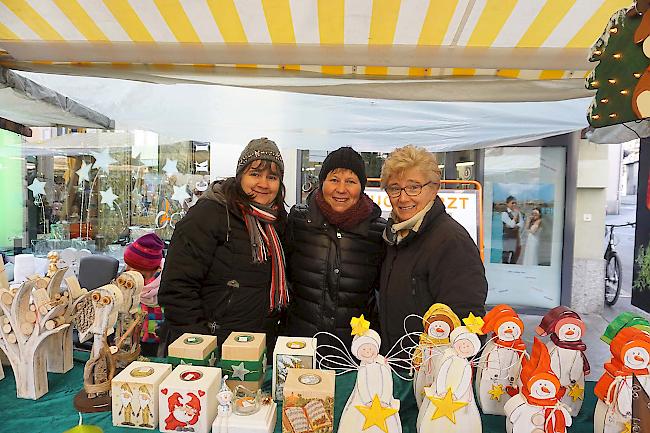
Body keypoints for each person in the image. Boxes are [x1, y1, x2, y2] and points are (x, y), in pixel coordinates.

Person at [159, 138, 287, 356]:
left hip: (256, 348)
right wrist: (202, 346)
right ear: (240, 176)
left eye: (272, 177)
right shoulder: (209, 215)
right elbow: (177, 289)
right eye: (255, 174)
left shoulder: (277, 221)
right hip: (213, 347)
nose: (263, 184)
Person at [379, 145, 487, 352]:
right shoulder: (395, 234)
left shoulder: (451, 241)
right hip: (398, 364)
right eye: (394, 188)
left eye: (414, 187)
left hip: (431, 372)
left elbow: (467, 316)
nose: (403, 198)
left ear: (434, 188)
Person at [285, 147, 385, 349]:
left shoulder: (377, 231)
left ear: (361, 187)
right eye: (334, 179)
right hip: (300, 345)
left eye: (350, 181)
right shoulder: (299, 220)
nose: (341, 189)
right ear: (322, 182)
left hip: (355, 349)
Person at [123, 232, 165, 357]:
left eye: (132, 267)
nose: (127, 270)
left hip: (157, 342)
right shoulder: (127, 282)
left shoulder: (165, 286)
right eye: (127, 265)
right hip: (133, 338)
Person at [501, 195, 524, 264]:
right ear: (507, 204)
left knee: (515, 256)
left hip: (516, 237)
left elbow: (522, 223)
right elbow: (511, 224)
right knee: (506, 256)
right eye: (512, 203)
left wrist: (515, 226)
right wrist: (514, 219)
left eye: (515, 203)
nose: (514, 204)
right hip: (508, 237)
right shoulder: (504, 213)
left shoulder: (518, 213)